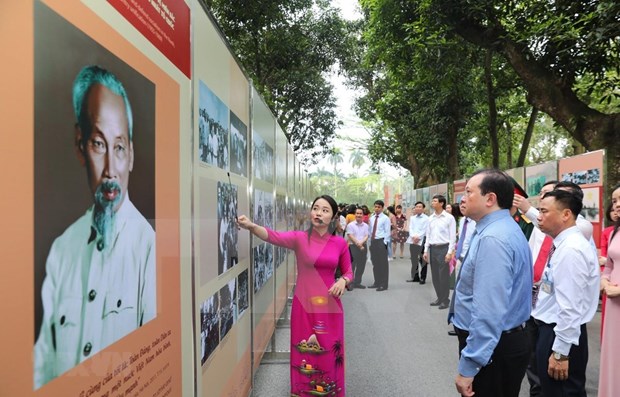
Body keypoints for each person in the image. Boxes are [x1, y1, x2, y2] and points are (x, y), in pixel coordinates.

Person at [34, 66, 156, 388]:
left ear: (130, 155)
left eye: (119, 147)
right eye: (99, 144)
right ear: (80, 146)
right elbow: (42, 364)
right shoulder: (63, 249)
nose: (111, 171)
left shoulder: (149, 247)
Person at [237, 195, 352, 397]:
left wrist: (343, 281)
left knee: (327, 351)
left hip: (330, 307)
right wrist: (250, 226)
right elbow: (272, 236)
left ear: (333, 216)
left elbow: (349, 272)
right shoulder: (300, 238)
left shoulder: (339, 244)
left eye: (325, 210)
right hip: (304, 306)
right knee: (305, 352)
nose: (319, 213)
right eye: (316, 208)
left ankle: (330, 391)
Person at [452, 169, 532, 397]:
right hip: (502, 343)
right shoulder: (501, 228)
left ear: (490, 199)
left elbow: (489, 311)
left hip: (495, 350)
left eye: (469, 192)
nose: (463, 198)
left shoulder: (493, 238)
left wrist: (470, 365)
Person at [531, 189, 599, 397]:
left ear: (566, 214)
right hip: (557, 331)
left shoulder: (571, 250)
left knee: (562, 391)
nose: (539, 217)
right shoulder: (564, 244)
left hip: (560, 334)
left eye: (544, 211)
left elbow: (570, 307)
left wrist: (560, 353)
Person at [599, 184, 620, 397]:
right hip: (613, 305)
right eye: (614, 201)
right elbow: (610, 265)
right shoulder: (615, 231)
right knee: (613, 357)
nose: (618, 204)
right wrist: (604, 281)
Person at [423, 194, 456, 310]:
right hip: (433, 248)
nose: (432, 203)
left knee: (443, 276)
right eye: (432, 201)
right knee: (435, 276)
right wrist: (426, 250)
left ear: (441, 203)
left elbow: (452, 237)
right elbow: (428, 235)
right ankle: (439, 298)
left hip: (444, 248)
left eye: (435, 201)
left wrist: (449, 252)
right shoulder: (430, 218)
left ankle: (445, 300)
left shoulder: (449, 218)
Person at [368, 200, 391, 291]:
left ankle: (383, 284)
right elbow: (370, 230)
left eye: (379, 207)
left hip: (381, 241)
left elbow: (387, 231)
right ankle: (376, 282)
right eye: (375, 207)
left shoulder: (385, 218)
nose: (376, 208)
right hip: (373, 242)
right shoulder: (372, 218)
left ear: (382, 208)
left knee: (383, 264)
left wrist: (384, 242)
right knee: (375, 263)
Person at [345, 207, 370, 289]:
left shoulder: (366, 225)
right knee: (352, 265)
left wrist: (361, 243)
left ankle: (357, 282)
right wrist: (358, 244)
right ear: (355, 214)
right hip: (353, 247)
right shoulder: (350, 225)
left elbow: (367, 235)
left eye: (360, 213)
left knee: (361, 265)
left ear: (363, 215)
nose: (359, 215)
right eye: (357, 213)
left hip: (363, 246)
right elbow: (350, 235)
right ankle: (350, 283)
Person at [406, 201, 429, 284]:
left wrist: (418, 237)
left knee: (423, 260)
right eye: (417, 207)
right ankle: (415, 277)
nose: (418, 208)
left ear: (423, 208)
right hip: (413, 241)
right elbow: (410, 228)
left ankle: (423, 277)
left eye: (420, 207)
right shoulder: (412, 218)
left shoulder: (427, 218)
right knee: (413, 259)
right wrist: (413, 236)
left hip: (422, 241)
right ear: (415, 208)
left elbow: (425, 230)